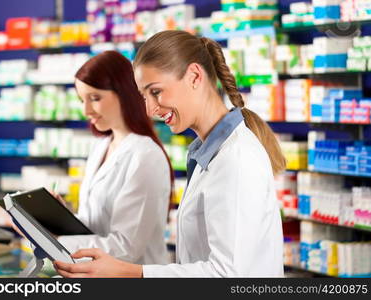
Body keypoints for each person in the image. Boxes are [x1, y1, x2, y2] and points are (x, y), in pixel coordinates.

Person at [54, 30, 286, 277]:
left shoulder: (235, 158)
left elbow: (227, 274)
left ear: (195, 76)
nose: (151, 109)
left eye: (156, 92)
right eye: (144, 96)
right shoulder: (207, 152)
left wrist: (133, 272)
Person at [36, 50, 173, 265]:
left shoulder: (146, 156)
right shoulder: (101, 147)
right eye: (82, 100)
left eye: (95, 98)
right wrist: (63, 220)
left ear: (125, 93)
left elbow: (126, 247)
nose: (86, 110)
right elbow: (96, 227)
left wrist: (59, 242)